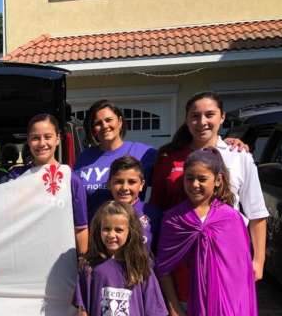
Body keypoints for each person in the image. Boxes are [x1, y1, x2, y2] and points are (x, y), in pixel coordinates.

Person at [150, 91, 268, 308]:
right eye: (195, 116)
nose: (202, 122)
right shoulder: (170, 156)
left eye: (209, 115)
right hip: (181, 256)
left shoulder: (238, 155)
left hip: (228, 257)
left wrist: (258, 261)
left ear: (222, 117)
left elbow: (256, 212)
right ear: (186, 120)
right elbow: (158, 207)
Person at [155, 148, 257, 316]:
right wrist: (174, 308)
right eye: (189, 178)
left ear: (217, 180)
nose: (195, 184)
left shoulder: (231, 219)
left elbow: (240, 271)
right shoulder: (173, 219)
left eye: (202, 179)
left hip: (226, 305)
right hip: (185, 303)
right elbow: (163, 268)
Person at [7, 113, 88, 254]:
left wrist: (83, 262)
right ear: (28, 141)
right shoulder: (16, 177)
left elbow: (80, 227)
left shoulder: (71, 179)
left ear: (57, 139)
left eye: (48, 137)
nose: (42, 143)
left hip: (60, 260)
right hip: (24, 255)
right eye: (35, 138)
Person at [74, 201, 167, 316]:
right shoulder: (89, 266)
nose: (111, 235)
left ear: (130, 232)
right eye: (106, 229)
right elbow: (82, 311)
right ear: (99, 230)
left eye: (118, 230)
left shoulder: (141, 266)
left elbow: (155, 311)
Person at [74, 100, 157, 223]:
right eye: (98, 123)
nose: (104, 126)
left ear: (120, 122)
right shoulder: (84, 158)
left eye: (108, 120)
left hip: (131, 231)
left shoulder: (144, 153)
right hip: (94, 234)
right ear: (93, 129)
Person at [107, 156, 162, 253]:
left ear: (141, 185)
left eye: (131, 182)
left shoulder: (154, 215)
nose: (124, 187)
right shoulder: (102, 215)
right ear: (109, 184)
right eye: (119, 182)